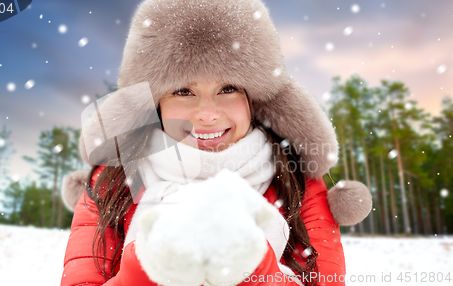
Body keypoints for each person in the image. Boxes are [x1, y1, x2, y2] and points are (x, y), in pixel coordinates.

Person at [60, 0, 372, 285]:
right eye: (183, 91)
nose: (207, 114)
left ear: (254, 101)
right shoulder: (111, 184)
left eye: (228, 88)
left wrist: (254, 268)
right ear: (155, 106)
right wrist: (143, 270)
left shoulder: (297, 185)